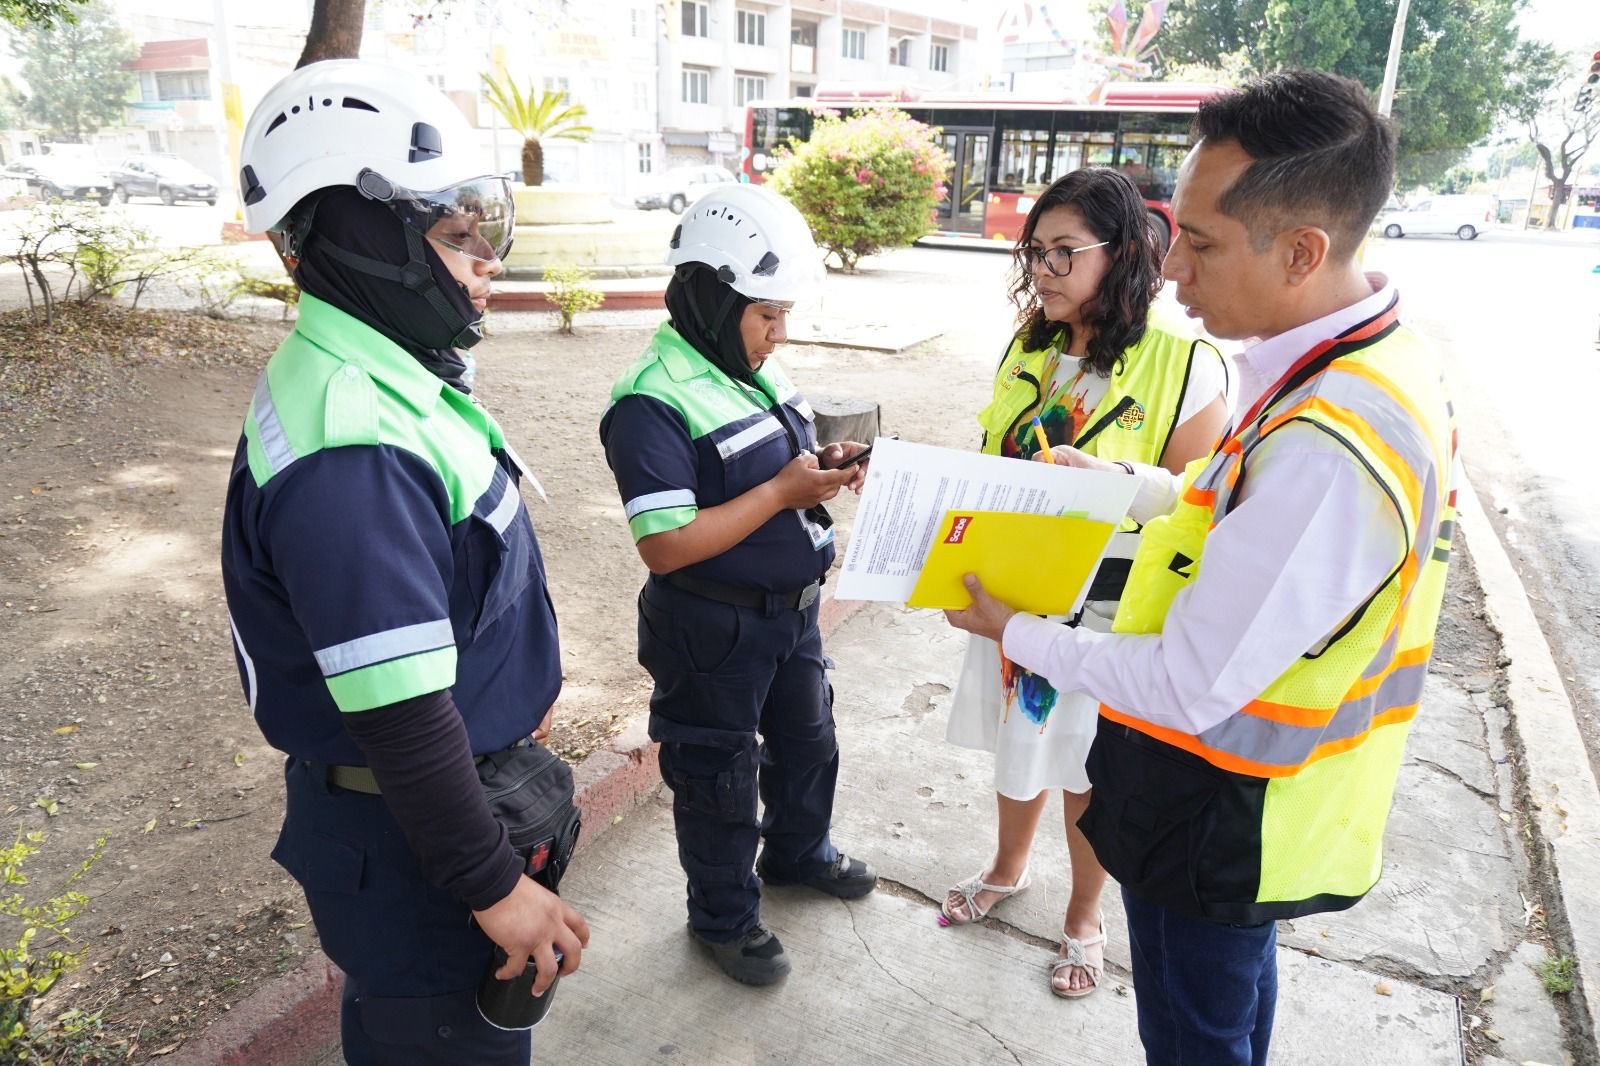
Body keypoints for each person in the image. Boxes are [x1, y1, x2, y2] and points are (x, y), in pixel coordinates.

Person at [944, 70, 1456, 1066]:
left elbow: (1184, 683)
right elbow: (1230, 512)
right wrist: (1129, 483)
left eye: (1203, 242)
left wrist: (1015, 631)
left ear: (1301, 251)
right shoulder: (1342, 365)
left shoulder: (1328, 439)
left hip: (1226, 804)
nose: (1171, 267)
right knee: (1225, 1008)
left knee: (1194, 1033)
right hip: (1234, 793)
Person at [221, 60, 588, 1065]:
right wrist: (495, 887)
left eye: (485, 232)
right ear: (363, 236)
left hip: (436, 813)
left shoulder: (389, 385)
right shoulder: (354, 449)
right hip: (424, 844)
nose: (487, 263)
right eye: (458, 234)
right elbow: (399, 710)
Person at [940, 167, 1230, 999]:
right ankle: (1007, 869)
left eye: (1066, 252)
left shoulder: (1185, 362)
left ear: (1128, 254)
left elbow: (1200, 500)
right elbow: (993, 447)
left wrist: (1112, 476)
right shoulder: (1030, 345)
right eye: (1035, 251)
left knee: (1087, 762)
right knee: (1019, 735)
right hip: (1014, 586)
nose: (1043, 270)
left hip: (1109, 604)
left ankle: (1085, 916)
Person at [599, 183, 877, 986]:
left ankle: (798, 855)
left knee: (808, 742)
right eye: (765, 314)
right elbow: (665, 544)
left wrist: (824, 471)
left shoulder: (748, 364)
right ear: (712, 299)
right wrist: (781, 494)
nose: (778, 332)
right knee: (719, 778)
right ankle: (723, 919)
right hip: (712, 629)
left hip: (791, 615)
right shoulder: (650, 401)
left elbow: (774, 463)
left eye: (783, 313)